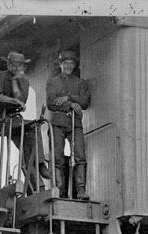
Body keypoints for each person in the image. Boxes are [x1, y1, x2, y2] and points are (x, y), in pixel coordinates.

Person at [0, 51, 50, 190]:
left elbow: (21, 101)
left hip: (15, 121)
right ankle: (39, 169)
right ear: (8, 64)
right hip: (2, 120)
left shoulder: (24, 81)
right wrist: (13, 100)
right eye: (14, 65)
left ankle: (37, 184)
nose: (17, 68)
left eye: (20, 65)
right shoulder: (1, 76)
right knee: (28, 138)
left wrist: (15, 83)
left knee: (29, 148)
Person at [46, 50, 91, 200]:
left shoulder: (80, 83)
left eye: (71, 63)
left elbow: (85, 102)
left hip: (75, 124)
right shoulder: (53, 82)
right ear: (60, 64)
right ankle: (59, 190)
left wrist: (68, 97)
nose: (68, 66)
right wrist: (72, 104)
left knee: (80, 156)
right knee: (57, 158)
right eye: (65, 63)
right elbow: (51, 103)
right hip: (58, 123)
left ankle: (81, 191)